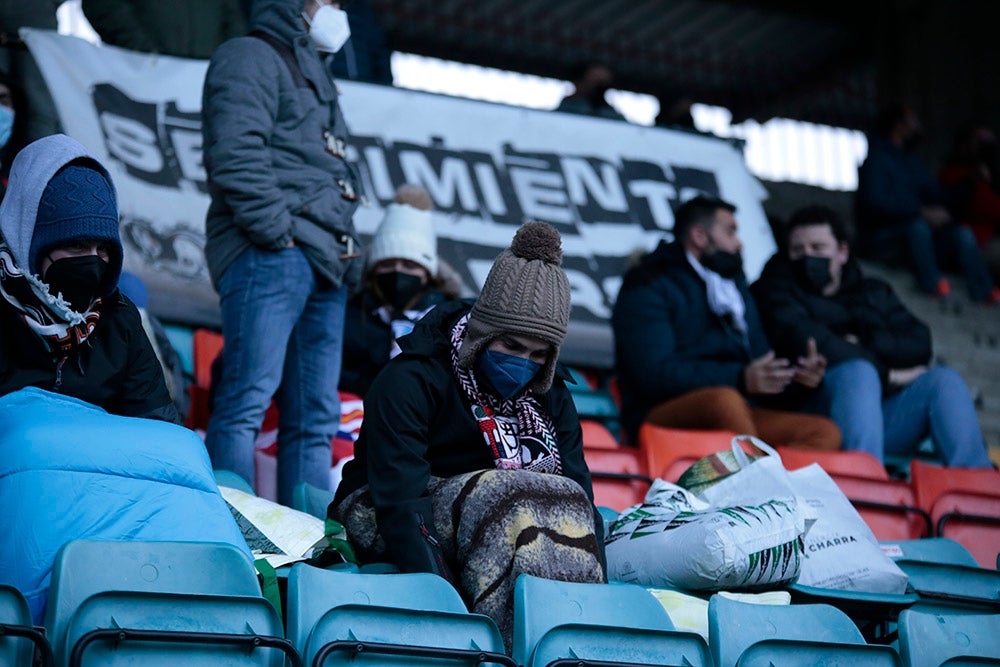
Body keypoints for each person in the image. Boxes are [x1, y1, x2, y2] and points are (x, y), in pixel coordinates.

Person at [333, 222, 605, 650]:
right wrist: (449, 607)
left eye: (539, 355)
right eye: (512, 347)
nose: (524, 363)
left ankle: (569, 649)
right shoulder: (412, 378)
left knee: (550, 501)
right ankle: (497, 651)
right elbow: (400, 499)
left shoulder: (552, 399)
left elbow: (580, 501)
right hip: (385, 507)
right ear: (483, 333)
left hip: (503, 514)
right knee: (506, 497)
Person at [201, 0, 363, 504]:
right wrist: (278, 234)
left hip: (323, 263)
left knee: (315, 420)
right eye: (326, 0)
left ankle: (310, 555)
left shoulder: (316, 71)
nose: (336, 10)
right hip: (271, 252)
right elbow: (234, 152)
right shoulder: (249, 55)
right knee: (245, 403)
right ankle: (231, 542)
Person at [752, 205, 992, 468]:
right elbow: (811, 341)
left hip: (876, 422)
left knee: (943, 380)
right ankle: (864, 484)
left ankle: (975, 491)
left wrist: (866, 342)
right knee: (858, 371)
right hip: (810, 420)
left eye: (818, 248)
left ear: (842, 252)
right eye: (798, 250)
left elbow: (919, 343)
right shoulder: (774, 289)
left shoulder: (873, 291)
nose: (807, 257)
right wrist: (888, 375)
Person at [612, 195, 840, 450]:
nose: (739, 243)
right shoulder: (647, 283)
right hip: (659, 414)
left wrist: (796, 379)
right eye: (730, 232)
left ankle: (777, 486)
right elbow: (654, 374)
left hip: (739, 409)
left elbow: (759, 364)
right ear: (699, 236)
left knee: (823, 432)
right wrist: (740, 378)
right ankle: (761, 485)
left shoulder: (733, 286)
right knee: (725, 402)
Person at [0, 133, 178, 423]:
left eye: (104, 248)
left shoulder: (120, 323)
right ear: (29, 243)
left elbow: (158, 431)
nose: (93, 260)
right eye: (77, 245)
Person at [855, 102, 999, 304]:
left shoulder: (911, 162)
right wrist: (919, 212)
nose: (918, 126)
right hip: (883, 240)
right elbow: (874, 202)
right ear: (899, 126)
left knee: (962, 234)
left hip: (914, 239)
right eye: (913, 121)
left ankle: (984, 291)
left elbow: (938, 194)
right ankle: (932, 284)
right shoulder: (876, 159)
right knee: (918, 228)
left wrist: (970, 182)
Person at [340, 184, 459, 397]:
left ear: (427, 274)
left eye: (409, 266)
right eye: (388, 264)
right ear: (373, 268)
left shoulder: (449, 323)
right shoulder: (350, 313)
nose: (398, 272)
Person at [939, 123, 1000, 285]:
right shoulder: (957, 174)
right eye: (980, 142)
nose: (987, 148)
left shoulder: (991, 175)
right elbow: (986, 208)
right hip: (974, 243)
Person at [81, 0, 247, 59]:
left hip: (203, 76)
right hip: (137, 76)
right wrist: (142, 50)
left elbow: (234, 14)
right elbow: (103, 6)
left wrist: (225, 57)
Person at [556, 61, 625, 121]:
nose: (597, 89)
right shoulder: (568, 106)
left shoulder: (610, 113)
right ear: (578, 82)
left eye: (601, 83)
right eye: (593, 82)